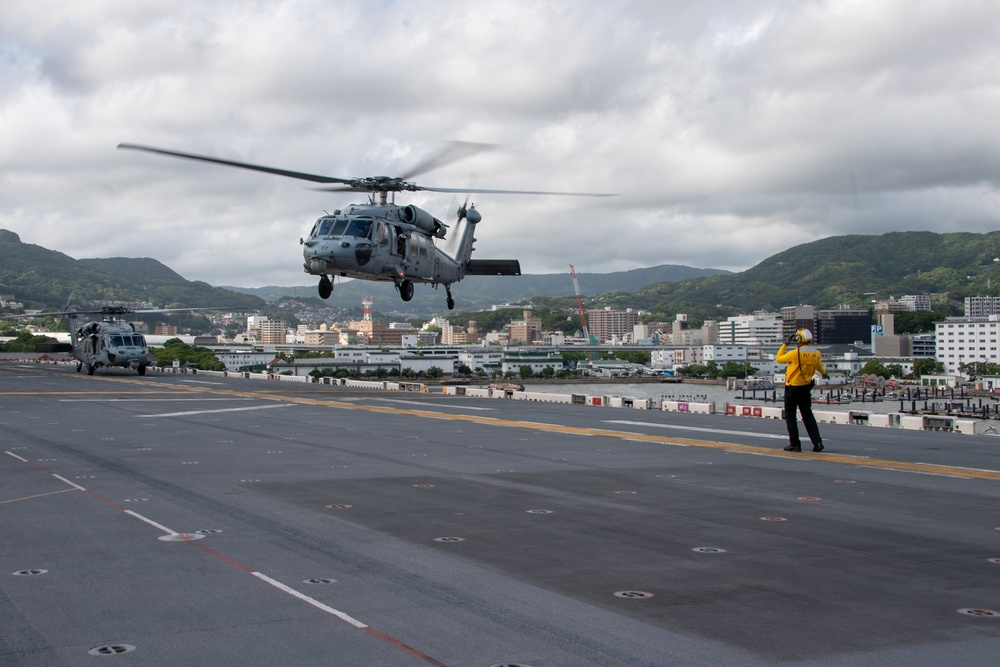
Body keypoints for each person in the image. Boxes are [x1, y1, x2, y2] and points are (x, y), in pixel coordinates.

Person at [775, 328, 828, 452]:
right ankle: (817, 442)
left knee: (790, 416)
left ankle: (795, 444)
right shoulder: (816, 353)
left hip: (792, 387)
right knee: (808, 415)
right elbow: (819, 365)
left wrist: (785, 344)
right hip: (805, 387)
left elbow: (778, 358)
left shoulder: (794, 353)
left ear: (799, 339)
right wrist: (824, 373)